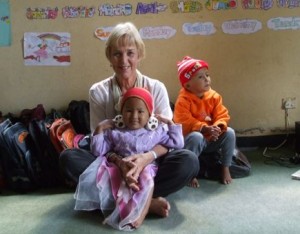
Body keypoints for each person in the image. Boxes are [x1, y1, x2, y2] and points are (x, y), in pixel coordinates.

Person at [60, 22, 198, 219]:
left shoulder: (156, 88)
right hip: (114, 161)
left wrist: (145, 158)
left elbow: (168, 140)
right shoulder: (98, 91)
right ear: (109, 56)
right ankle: (147, 202)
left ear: (140, 54)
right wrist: (121, 162)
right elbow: (98, 143)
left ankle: (121, 198)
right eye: (117, 54)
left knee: (188, 161)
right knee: (69, 158)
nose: (124, 60)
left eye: (130, 53)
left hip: (152, 161)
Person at [74, 87, 184, 230]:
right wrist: (100, 128)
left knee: (148, 180)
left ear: (150, 115)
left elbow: (178, 143)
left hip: (146, 167)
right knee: (118, 186)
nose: (134, 116)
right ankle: (145, 204)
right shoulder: (115, 131)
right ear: (121, 113)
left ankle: (141, 213)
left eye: (140, 111)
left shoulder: (155, 131)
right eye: (129, 111)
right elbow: (98, 151)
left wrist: (169, 123)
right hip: (119, 166)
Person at [173, 56, 236, 187]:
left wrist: (218, 127)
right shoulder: (183, 100)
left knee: (230, 133)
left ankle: (225, 168)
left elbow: (222, 115)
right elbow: (183, 121)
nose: (207, 79)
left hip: (210, 139)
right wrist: (203, 128)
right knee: (196, 136)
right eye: (200, 77)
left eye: (207, 75)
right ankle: (190, 174)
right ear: (187, 85)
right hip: (192, 142)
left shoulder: (214, 96)